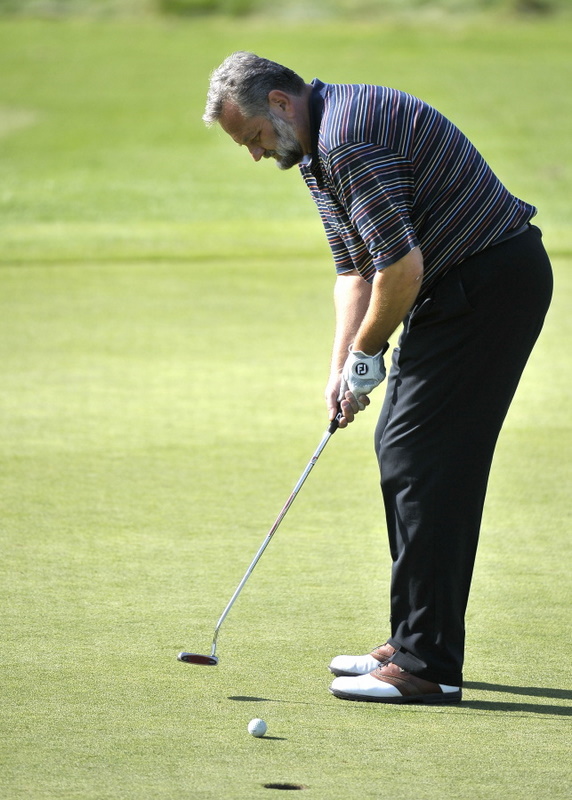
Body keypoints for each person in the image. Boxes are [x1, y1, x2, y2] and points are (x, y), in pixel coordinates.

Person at [202, 52, 553, 704]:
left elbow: (400, 267)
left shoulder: (348, 139)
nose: (254, 154)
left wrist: (367, 354)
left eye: (252, 136)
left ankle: (428, 666)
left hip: (490, 283)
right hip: (458, 289)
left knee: (425, 463)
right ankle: (412, 637)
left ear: (279, 102)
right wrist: (342, 367)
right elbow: (355, 273)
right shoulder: (312, 150)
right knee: (401, 450)